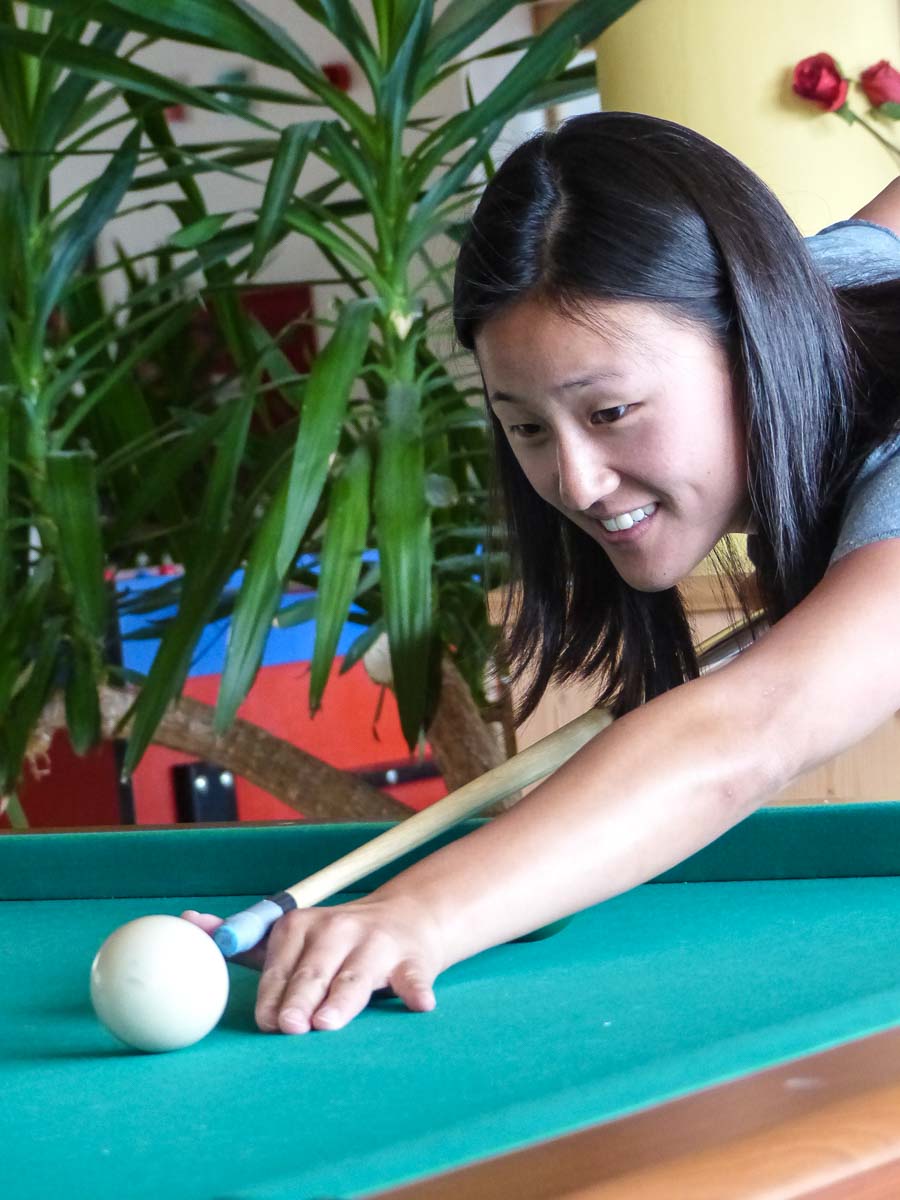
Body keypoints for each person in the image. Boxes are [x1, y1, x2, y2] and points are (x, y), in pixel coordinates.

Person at [185, 112, 900, 1036]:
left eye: (610, 412)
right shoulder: (827, 289)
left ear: (752, 338)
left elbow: (757, 727)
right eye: (525, 426)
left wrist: (419, 913)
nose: (576, 482)